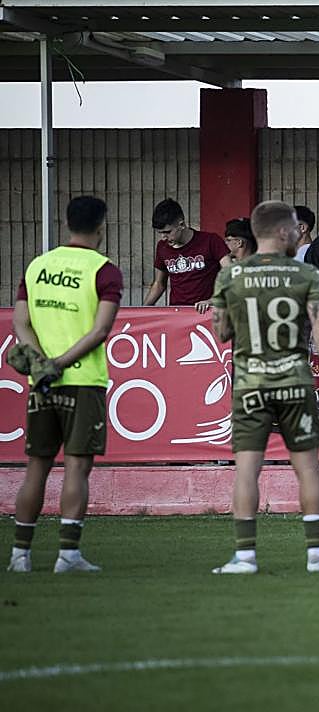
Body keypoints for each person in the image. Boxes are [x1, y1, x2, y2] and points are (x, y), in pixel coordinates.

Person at [209, 201, 319, 575]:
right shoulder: (306, 274)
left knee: (247, 470)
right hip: (295, 382)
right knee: (308, 469)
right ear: (284, 232)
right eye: (295, 229)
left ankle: (245, 557)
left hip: (251, 383)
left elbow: (222, 332)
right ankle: (317, 556)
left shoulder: (231, 276)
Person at [7, 196, 122, 574]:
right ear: (101, 227)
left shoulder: (38, 266)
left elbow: (20, 323)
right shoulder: (103, 271)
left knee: (36, 467)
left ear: (67, 222)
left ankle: (19, 556)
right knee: (76, 469)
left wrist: (41, 363)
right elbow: (101, 330)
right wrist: (60, 363)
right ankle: (67, 555)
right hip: (82, 382)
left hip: (40, 383)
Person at [143, 197, 229, 307]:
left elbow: (232, 274)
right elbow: (159, 284)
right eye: (160, 233)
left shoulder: (211, 241)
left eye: (168, 232)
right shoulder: (162, 247)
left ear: (182, 225)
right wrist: (140, 312)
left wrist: (213, 301)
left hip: (206, 313)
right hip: (178, 315)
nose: (163, 237)